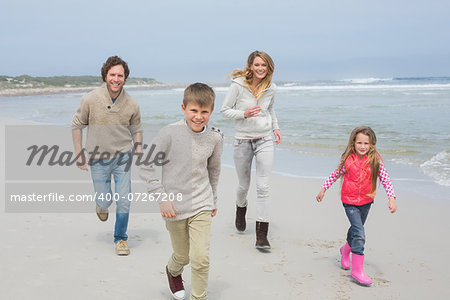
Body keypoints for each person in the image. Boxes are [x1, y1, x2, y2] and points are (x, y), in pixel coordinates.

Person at [140, 83, 223, 300]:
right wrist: (162, 198)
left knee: (200, 258)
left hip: (202, 203)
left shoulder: (215, 137)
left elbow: (214, 170)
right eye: (194, 110)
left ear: (211, 111)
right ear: (183, 108)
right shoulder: (169, 133)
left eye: (204, 112)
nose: (199, 116)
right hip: (174, 205)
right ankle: (173, 272)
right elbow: (145, 165)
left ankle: (198, 297)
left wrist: (213, 199)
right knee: (183, 256)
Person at [71, 56, 143, 256]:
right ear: (105, 75)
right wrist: (79, 154)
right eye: (112, 74)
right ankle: (101, 205)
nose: (116, 79)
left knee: (125, 200)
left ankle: (120, 238)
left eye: (120, 75)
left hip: (123, 158)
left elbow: (136, 128)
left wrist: (138, 148)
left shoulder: (132, 104)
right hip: (97, 158)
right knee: (104, 202)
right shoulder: (90, 99)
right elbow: (77, 125)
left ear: (125, 78)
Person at [316, 126, 397, 286]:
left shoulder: (375, 160)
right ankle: (357, 270)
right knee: (359, 233)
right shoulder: (347, 158)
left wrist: (391, 197)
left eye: (366, 143)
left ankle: (345, 250)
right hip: (349, 201)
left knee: (355, 229)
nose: (362, 146)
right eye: (359, 142)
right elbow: (335, 173)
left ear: (372, 144)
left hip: (366, 201)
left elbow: (385, 178)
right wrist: (324, 188)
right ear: (353, 143)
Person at [220, 50, 281, 250]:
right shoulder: (238, 85)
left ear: (268, 67)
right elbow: (225, 110)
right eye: (257, 65)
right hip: (242, 141)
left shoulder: (271, 87)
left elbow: (270, 110)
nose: (260, 68)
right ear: (250, 66)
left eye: (264, 65)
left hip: (264, 139)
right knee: (244, 185)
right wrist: (244, 114)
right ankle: (240, 208)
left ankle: (261, 235)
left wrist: (276, 128)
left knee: (263, 187)